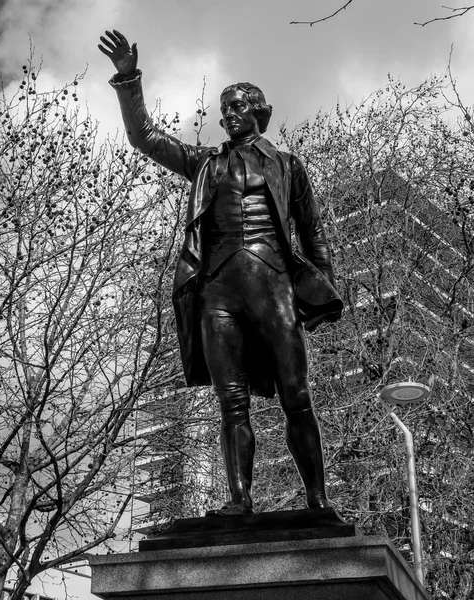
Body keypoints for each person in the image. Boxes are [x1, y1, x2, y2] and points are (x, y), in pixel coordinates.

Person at [99, 29, 342, 516]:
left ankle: (317, 500)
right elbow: (144, 136)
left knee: (296, 394)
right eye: (223, 109)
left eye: (236, 106)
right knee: (230, 400)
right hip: (218, 289)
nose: (227, 115)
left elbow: (311, 232)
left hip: (273, 281)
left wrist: (325, 287)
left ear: (259, 111)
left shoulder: (288, 166)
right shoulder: (205, 163)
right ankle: (240, 500)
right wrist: (129, 80)